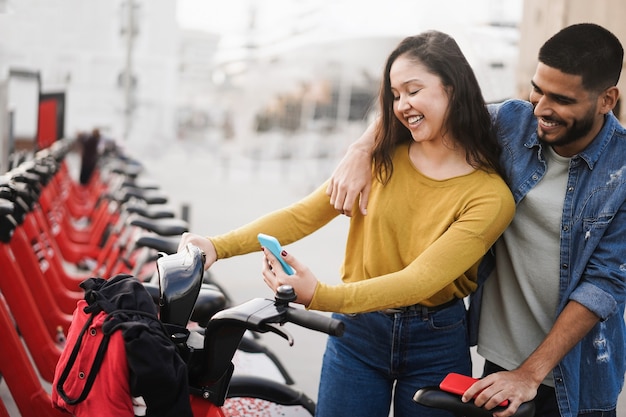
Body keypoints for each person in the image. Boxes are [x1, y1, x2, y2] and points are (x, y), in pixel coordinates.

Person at [178, 30, 515, 417]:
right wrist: (216, 247)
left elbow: (419, 280)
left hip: (435, 342)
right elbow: (303, 214)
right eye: (395, 94)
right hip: (357, 335)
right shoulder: (378, 158)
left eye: (413, 89)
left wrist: (318, 296)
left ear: (453, 88)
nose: (402, 104)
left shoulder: (490, 196)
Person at [326, 23, 626, 417]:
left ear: (607, 99)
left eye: (561, 99)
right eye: (538, 89)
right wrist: (361, 148)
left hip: (578, 373)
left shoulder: (620, 170)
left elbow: (604, 283)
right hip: (501, 363)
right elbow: (425, 109)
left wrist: (530, 373)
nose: (541, 108)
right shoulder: (512, 123)